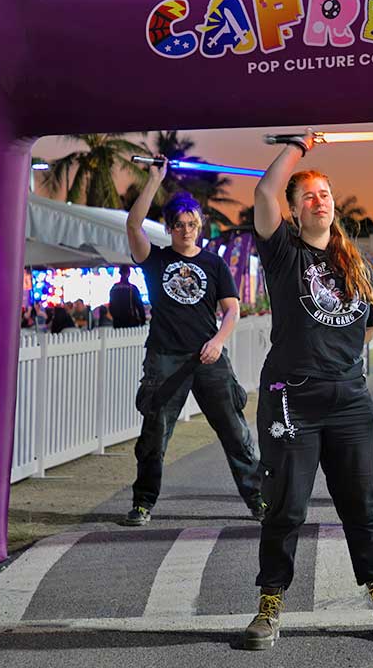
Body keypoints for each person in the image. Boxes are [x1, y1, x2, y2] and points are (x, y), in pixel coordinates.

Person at [241, 132, 373, 650]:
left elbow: (365, 328)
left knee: (363, 505)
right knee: (287, 507)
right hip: (292, 398)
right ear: (293, 210)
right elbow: (263, 193)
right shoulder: (284, 252)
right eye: (309, 195)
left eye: (325, 193)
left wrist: (343, 369)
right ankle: (270, 604)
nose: (321, 201)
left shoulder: (353, 262)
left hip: (349, 399)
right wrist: (299, 146)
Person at [123, 164, 262, 526]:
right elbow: (133, 225)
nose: (186, 230)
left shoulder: (214, 264)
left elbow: (231, 311)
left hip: (208, 357)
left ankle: (259, 499)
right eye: (179, 224)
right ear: (169, 227)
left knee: (235, 431)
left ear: (200, 226)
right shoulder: (155, 259)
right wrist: (155, 179)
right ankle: (143, 503)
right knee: (154, 435)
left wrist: (218, 342)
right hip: (165, 358)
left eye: (192, 224)